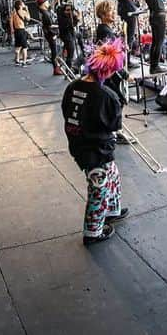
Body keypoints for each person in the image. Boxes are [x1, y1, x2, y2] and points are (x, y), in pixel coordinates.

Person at [62, 39, 129, 245]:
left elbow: (66, 111)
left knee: (113, 175)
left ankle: (111, 210)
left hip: (78, 143)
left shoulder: (73, 86)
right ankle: (93, 232)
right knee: (98, 188)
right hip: (95, 149)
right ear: (109, 70)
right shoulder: (107, 96)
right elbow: (114, 124)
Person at [38, 0, 61, 75]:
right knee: (54, 52)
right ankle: (56, 69)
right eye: (46, 2)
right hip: (50, 34)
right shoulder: (44, 14)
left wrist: (54, 2)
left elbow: (50, 7)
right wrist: (59, 26)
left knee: (54, 51)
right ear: (43, 4)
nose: (48, 3)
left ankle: (57, 67)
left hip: (50, 33)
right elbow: (50, 26)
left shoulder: (44, 11)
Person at [11, 0, 31, 66]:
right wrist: (27, 9)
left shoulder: (14, 12)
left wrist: (12, 29)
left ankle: (17, 60)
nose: (23, 4)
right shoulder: (22, 11)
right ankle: (24, 61)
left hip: (16, 30)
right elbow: (28, 18)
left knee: (17, 46)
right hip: (22, 30)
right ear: (20, 5)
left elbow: (11, 21)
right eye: (22, 4)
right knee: (25, 47)